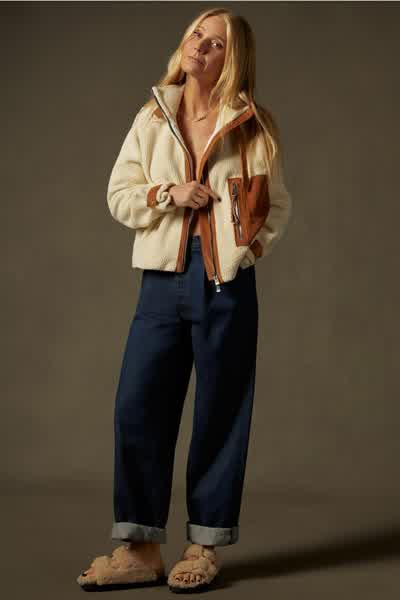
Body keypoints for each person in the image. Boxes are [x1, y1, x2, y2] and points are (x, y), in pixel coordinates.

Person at [77, 6, 292, 594]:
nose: (200, 44)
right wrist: (167, 193)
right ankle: (140, 548)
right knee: (138, 405)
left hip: (226, 284)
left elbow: (275, 207)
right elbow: (119, 195)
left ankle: (205, 544)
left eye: (216, 42)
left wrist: (245, 251)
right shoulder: (153, 117)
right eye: (198, 33)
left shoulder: (253, 127)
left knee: (221, 412)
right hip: (162, 279)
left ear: (232, 59)